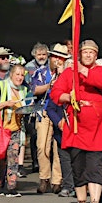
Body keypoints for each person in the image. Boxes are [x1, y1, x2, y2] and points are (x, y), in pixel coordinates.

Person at [50, 39, 102, 203]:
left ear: (96, 55)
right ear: (79, 54)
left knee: (95, 168)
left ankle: (94, 202)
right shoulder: (69, 73)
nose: (87, 55)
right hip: (76, 128)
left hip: (97, 129)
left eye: (91, 52)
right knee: (78, 168)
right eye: (84, 52)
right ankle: (81, 202)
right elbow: (55, 93)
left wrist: (82, 71)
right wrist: (68, 97)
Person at [32, 43, 70, 194]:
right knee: (42, 145)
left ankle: (57, 180)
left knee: (59, 146)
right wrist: (49, 85)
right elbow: (34, 90)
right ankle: (44, 178)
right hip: (43, 111)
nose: (58, 60)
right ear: (50, 57)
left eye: (61, 58)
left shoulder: (67, 74)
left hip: (61, 111)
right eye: (55, 57)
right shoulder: (40, 72)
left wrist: (62, 76)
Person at [0, 64, 30, 197]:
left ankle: (11, 187)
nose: (20, 77)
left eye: (22, 75)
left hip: (16, 129)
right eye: (17, 74)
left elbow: (26, 106)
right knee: (0, 159)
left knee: (13, 158)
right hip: (0, 129)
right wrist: (6, 103)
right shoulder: (0, 86)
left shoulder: (24, 89)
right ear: (11, 74)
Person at [45, 59, 76, 198]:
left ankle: (80, 185)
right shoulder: (57, 87)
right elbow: (50, 109)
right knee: (65, 159)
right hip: (62, 131)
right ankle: (68, 186)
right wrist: (58, 122)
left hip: (77, 130)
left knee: (78, 159)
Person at [24, 42, 50, 175]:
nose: (41, 57)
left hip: (47, 104)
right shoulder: (29, 67)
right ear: (34, 55)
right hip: (32, 104)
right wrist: (47, 87)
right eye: (39, 54)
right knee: (34, 134)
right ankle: (35, 161)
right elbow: (30, 88)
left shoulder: (51, 66)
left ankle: (45, 162)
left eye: (44, 54)